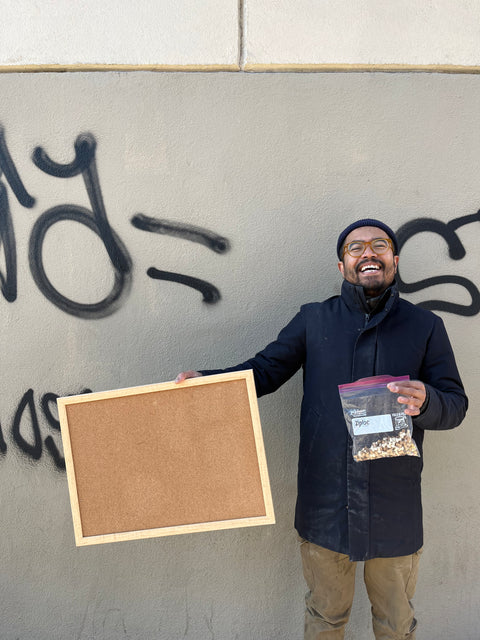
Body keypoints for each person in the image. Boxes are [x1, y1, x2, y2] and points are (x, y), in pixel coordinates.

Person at [176, 219, 468, 640]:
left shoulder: (425, 326)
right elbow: (265, 371)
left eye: (379, 245)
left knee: (397, 625)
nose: (368, 252)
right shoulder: (314, 319)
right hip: (326, 504)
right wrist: (209, 382)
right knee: (325, 621)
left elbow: (455, 405)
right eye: (356, 247)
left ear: (394, 259)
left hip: (394, 505)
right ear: (341, 265)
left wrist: (428, 402)